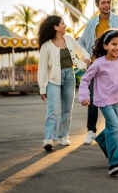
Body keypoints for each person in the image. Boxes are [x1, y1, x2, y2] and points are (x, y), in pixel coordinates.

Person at [78, 0, 118, 145]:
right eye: (103, 3)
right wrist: (85, 56)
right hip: (96, 64)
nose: (106, 5)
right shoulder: (91, 23)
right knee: (93, 98)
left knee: (114, 99)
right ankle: (91, 130)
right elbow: (81, 42)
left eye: (108, 2)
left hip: (114, 65)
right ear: (97, 5)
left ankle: (108, 134)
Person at [78, 28, 118, 176]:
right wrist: (83, 97)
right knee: (115, 129)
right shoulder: (98, 63)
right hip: (103, 101)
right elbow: (85, 80)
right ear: (105, 46)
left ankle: (102, 140)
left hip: (116, 100)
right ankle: (115, 162)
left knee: (117, 128)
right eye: (114, 44)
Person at [37, 15, 90, 151]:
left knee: (67, 109)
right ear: (55, 27)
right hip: (53, 79)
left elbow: (80, 50)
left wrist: (86, 59)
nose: (65, 26)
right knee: (52, 110)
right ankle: (48, 138)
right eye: (63, 24)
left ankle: (63, 136)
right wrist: (42, 88)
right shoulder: (46, 46)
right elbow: (42, 69)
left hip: (69, 77)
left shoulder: (70, 40)